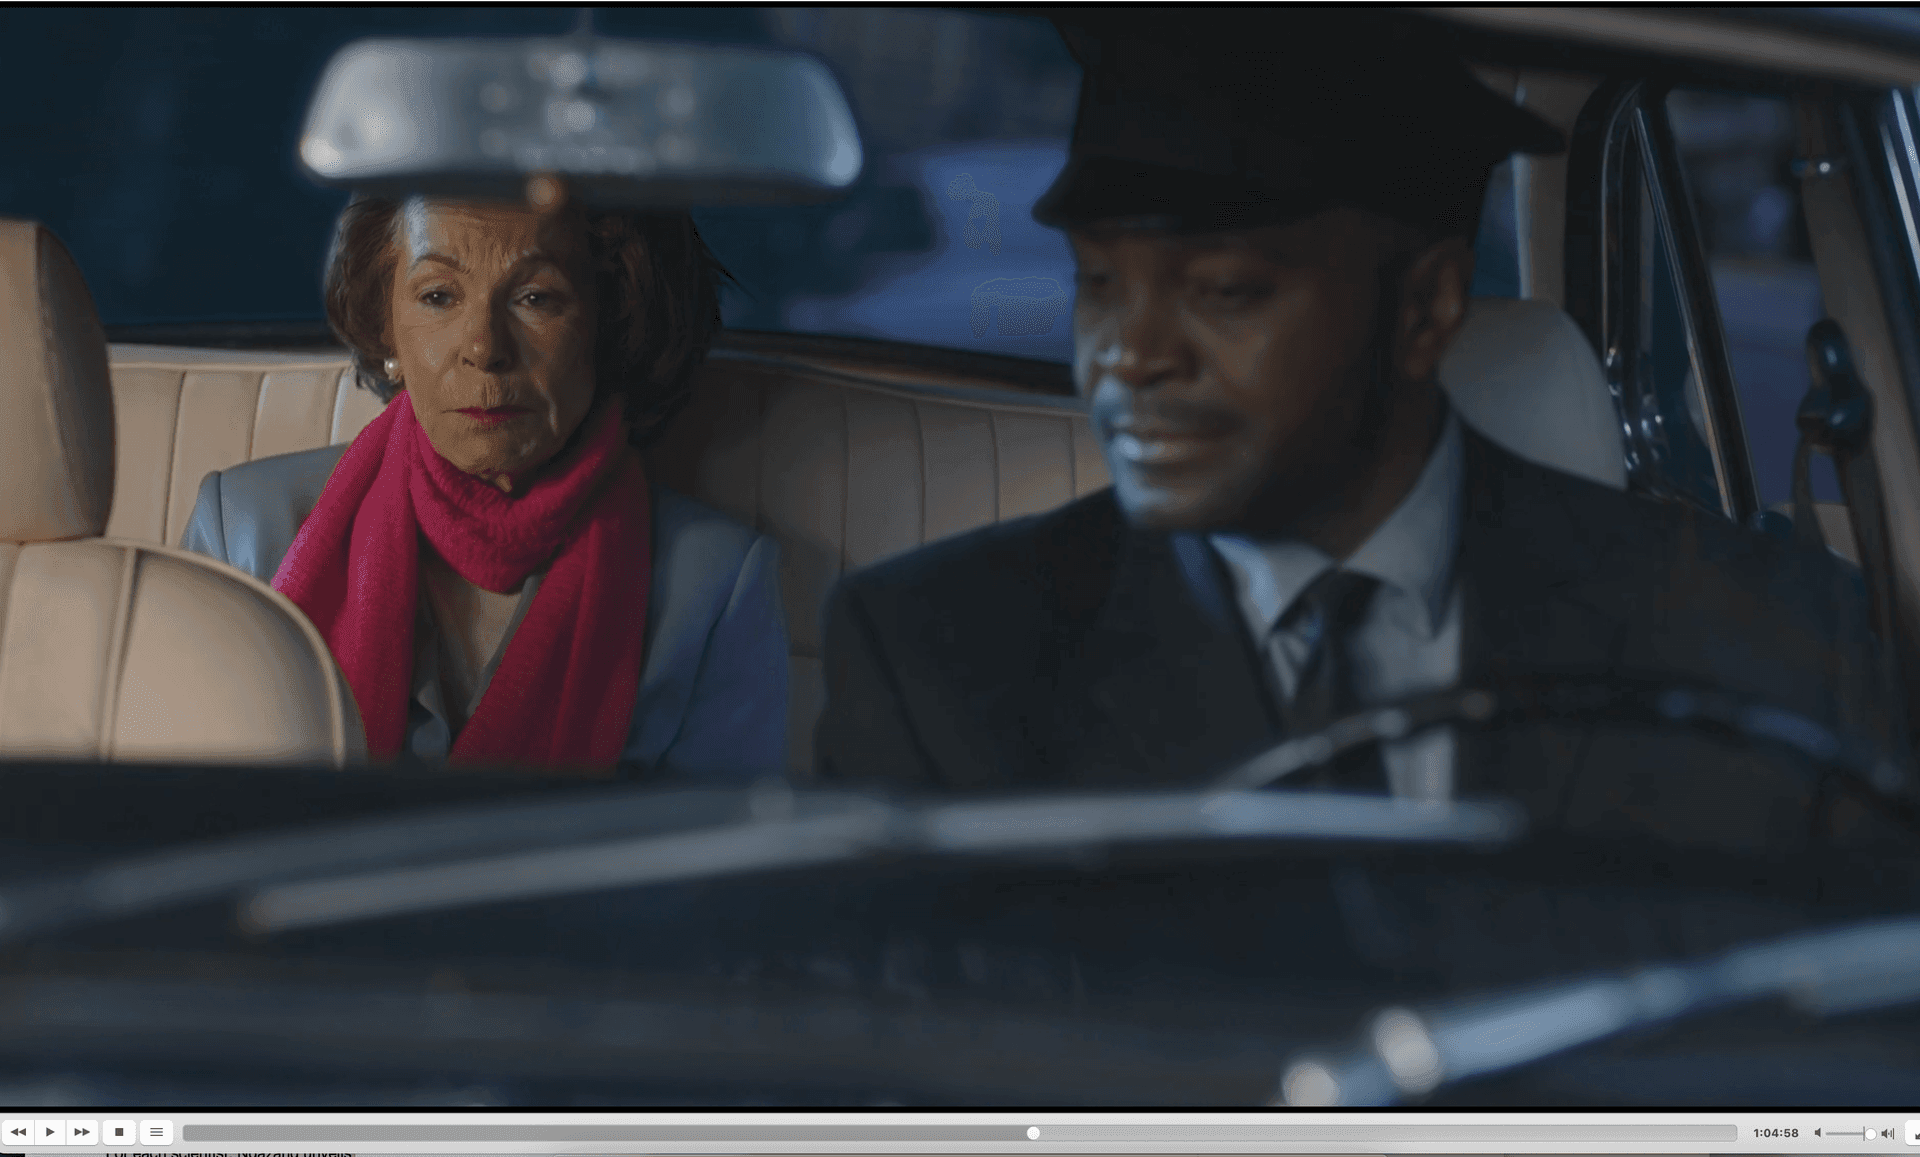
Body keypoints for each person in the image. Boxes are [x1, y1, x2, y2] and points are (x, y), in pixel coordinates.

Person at [813, 14, 1905, 852]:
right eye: (1100, 285)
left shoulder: (1766, 647)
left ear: (1426, 306)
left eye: (1227, 292)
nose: (1126, 355)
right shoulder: (946, 662)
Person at [183, 182, 788, 781]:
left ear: (612, 324)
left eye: (536, 297)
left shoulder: (717, 585)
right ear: (387, 330)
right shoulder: (240, 530)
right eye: (439, 295)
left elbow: (718, 865)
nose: (484, 347)